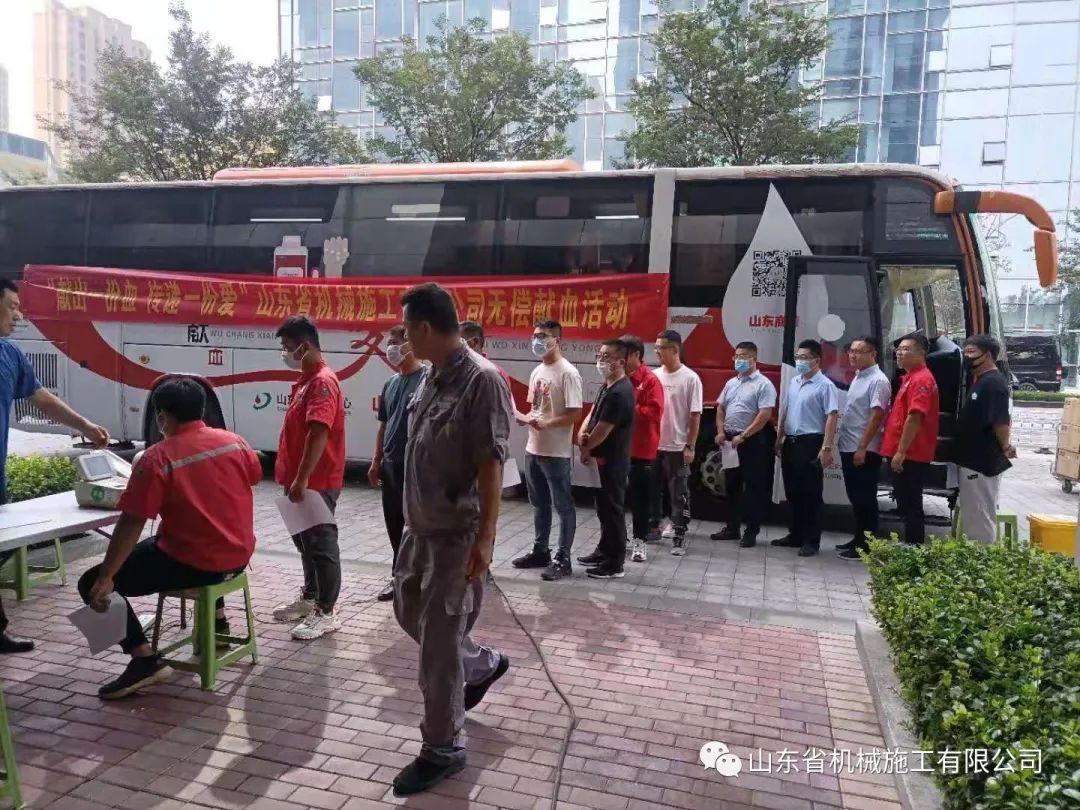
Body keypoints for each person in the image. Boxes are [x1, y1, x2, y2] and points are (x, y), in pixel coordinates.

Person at [391, 283, 511, 796]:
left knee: (438, 650)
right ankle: (481, 665)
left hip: (455, 537)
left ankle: (442, 748)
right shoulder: (430, 376)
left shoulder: (482, 380)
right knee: (407, 614)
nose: (402, 340)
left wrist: (485, 541)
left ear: (423, 327)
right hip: (417, 530)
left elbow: (491, 465)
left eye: (405, 330)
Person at [78, 377, 262, 699]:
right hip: (238, 557)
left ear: (162, 417)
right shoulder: (236, 442)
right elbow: (253, 477)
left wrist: (107, 577)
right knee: (192, 539)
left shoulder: (156, 458)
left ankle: (143, 660)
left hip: (194, 563)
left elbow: (131, 523)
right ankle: (218, 623)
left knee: (89, 583)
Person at [0, 279, 109, 654]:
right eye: (12, 307)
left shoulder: (10, 355)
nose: (19, 315)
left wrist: (85, 426)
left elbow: (41, 397)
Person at [271, 316, 346, 640]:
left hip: (317, 482)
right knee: (305, 543)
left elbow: (318, 433)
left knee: (322, 545)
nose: (285, 353)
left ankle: (326, 611)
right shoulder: (305, 381)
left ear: (304, 346)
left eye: (288, 346)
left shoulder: (322, 382)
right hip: (298, 481)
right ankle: (311, 597)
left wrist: (302, 479)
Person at [511, 319, 583, 581]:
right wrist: (526, 418)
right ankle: (540, 550)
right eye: (534, 336)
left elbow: (575, 414)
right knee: (539, 504)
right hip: (533, 447)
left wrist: (547, 424)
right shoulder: (537, 371)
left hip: (556, 452)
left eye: (542, 336)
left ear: (557, 340)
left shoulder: (568, 373)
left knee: (563, 506)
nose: (536, 341)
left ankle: (563, 559)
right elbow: (536, 407)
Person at [369, 325, 425, 601]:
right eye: (388, 343)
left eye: (394, 342)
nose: (390, 348)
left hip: (415, 467)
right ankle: (398, 576)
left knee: (415, 526)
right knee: (393, 523)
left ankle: (417, 578)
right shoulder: (390, 383)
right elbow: (383, 425)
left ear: (410, 344)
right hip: (391, 465)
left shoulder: (426, 380)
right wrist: (376, 460)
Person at [773, 340, 839, 557]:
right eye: (798, 357)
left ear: (816, 360)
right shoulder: (794, 382)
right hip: (791, 441)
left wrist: (826, 447)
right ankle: (795, 534)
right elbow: (785, 411)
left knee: (810, 493)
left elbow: (832, 416)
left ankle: (811, 541)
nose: (799, 361)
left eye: (804, 358)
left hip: (810, 442)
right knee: (792, 491)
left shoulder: (825, 385)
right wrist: (779, 437)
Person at [576, 340, 636, 577]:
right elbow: (593, 413)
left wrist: (586, 446)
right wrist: (582, 433)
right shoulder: (608, 386)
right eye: (599, 355)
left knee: (612, 511)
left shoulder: (620, 393)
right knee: (602, 508)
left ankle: (614, 563)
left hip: (612, 462)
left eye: (607, 357)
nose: (601, 361)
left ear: (621, 362)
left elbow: (603, 429)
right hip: (600, 460)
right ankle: (603, 550)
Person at [712, 341, 777, 548]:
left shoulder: (764, 384)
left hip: (752, 441)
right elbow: (721, 408)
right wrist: (721, 432)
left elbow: (764, 414)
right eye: (736, 356)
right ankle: (732, 527)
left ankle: (751, 532)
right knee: (732, 485)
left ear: (753, 358)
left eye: (743, 356)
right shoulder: (731, 383)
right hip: (730, 441)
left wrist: (745, 435)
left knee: (753, 488)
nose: (738, 360)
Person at [881, 333, 940, 546]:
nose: (899, 353)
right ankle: (910, 545)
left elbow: (915, 417)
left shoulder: (921, 379)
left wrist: (901, 452)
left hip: (911, 453)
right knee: (905, 502)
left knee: (911, 503)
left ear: (922, 352)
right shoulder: (910, 377)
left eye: (906, 349)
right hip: (904, 451)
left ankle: (914, 547)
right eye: (898, 349)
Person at [955, 335, 1015, 544]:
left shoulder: (993, 383)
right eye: (965, 352)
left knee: (979, 516)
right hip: (972, 461)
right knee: (973, 514)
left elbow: (1000, 422)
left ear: (988, 355)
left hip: (981, 463)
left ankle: (982, 557)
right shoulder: (981, 381)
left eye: (971, 352)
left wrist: (1006, 446)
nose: (966, 357)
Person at [836, 337, 891, 560]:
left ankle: (867, 545)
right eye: (851, 350)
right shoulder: (860, 376)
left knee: (865, 498)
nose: (853, 355)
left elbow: (877, 415)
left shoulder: (878, 380)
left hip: (864, 448)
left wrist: (862, 447)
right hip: (849, 445)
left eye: (859, 351)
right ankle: (858, 538)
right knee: (855, 497)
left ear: (873, 354)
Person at [653, 331, 702, 556]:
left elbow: (695, 415)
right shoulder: (654, 376)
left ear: (674, 350)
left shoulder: (690, 378)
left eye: (661, 348)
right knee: (653, 490)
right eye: (656, 347)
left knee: (678, 493)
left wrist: (690, 445)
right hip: (654, 445)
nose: (657, 352)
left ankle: (679, 536)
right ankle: (653, 527)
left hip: (677, 446)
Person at [622, 334, 665, 560]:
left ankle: (640, 541)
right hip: (618, 448)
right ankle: (615, 541)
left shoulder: (649, 380)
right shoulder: (617, 377)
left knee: (640, 500)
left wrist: (629, 408)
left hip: (641, 450)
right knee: (614, 500)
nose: (618, 360)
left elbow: (655, 412)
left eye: (623, 355)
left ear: (636, 355)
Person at [460, 320, 512, 390]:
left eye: (460, 342)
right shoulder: (456, 371)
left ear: (475, 342)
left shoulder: (495, 374)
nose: (454, 347)